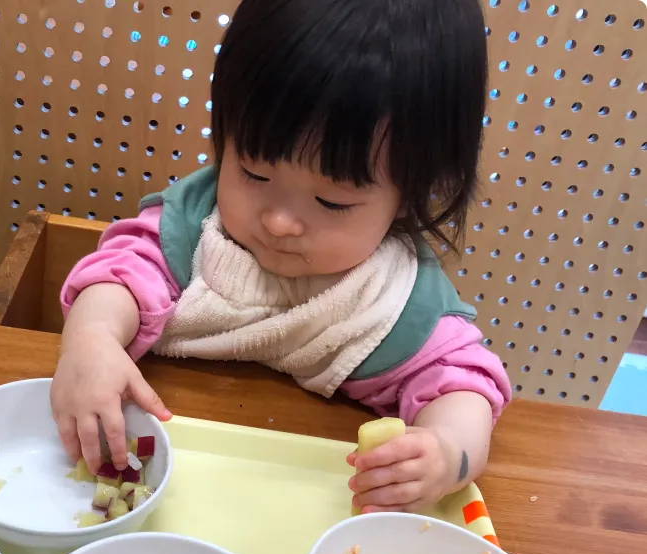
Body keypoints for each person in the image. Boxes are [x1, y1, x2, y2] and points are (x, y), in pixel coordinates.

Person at [51, 0, 511, 513]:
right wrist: (92, 339)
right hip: (168, 467)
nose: (278, 222)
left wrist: (448, 453)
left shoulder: (395, 301)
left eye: (332, 202)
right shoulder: (197, 227)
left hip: (306, 501)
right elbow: (122, 272)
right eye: (253, 173)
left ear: (408, 194)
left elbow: (465, 385)